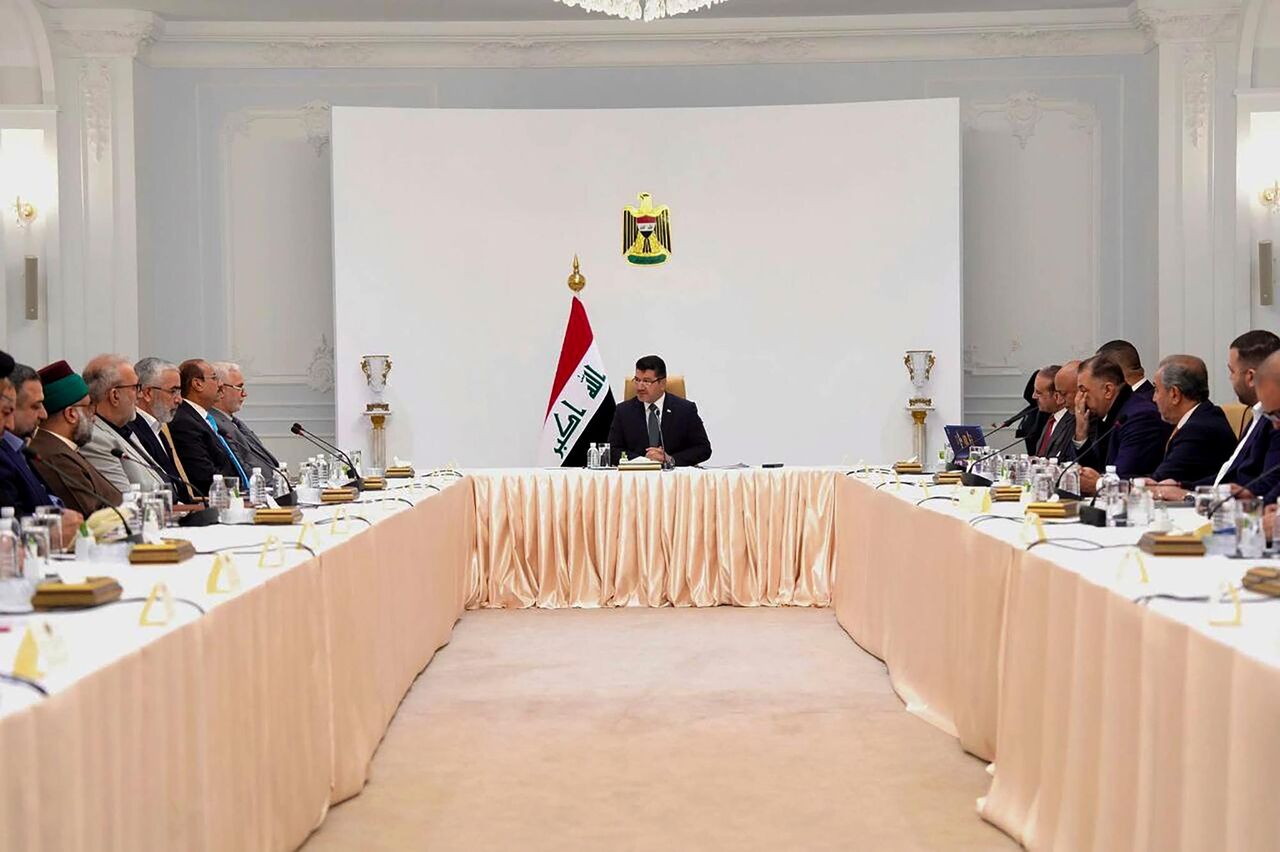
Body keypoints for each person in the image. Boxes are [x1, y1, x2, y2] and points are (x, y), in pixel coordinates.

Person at [27, 360, 123, 516]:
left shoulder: (62, 447)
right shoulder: (56, 456)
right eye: (89, 408)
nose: (93, 417)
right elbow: (91, 516)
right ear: (71, 414)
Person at [1073, 354, 1171, 494]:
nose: (1079, 399)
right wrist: (1081, 432)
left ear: (1108, 390)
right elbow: (1094, 473)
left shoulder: (1140, 417)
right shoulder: (1110, 414)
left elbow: (1120, 478)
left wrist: (1096, 482)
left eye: (1083, 391)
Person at [79, 354, 166, 493]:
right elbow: (123, 497)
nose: (139, 395)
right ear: (115, 395)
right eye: (136, 387)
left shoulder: (126, 428)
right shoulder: (96, 439)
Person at [607, 355, 711, 467]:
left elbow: (703, 449)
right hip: (637, 475)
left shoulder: (685, 410)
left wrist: (670, 459)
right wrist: (642, 461)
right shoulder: (623, 411)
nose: (640, 387)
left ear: (662, 383)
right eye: (637, 380)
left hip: (673, 475)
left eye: (646, 381)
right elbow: (612, 450)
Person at [1148, 355, 1236, 484]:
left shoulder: (1198, 430)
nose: (1154, 398)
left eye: (1156, 390)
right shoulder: (1206, 415)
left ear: (1174, 394)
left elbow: (1160, 482)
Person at [168, 359, 246, 495]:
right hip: (217, 500)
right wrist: (237, 494)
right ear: (197, 384)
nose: (220, 384)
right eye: (214, 378)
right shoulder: (185, 423)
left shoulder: (202, 418)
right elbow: (204, 476)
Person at [134, 357, 196, 503]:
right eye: (173, 391)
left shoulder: (157, 428)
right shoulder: (133, 428)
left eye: (179, 392)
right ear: (147, 393)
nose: (179, 400)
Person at [210, 361, 280, 475]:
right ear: (221, 389)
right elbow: (241, 468)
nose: (244, 394)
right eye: (239, 387)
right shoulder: (214, 424)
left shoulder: (235, 422)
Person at [1031, 363, 1076, 460]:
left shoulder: (1075, 422)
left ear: (1058, 396)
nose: (1033, 396)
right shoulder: (1049, 419)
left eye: (1038, 392)